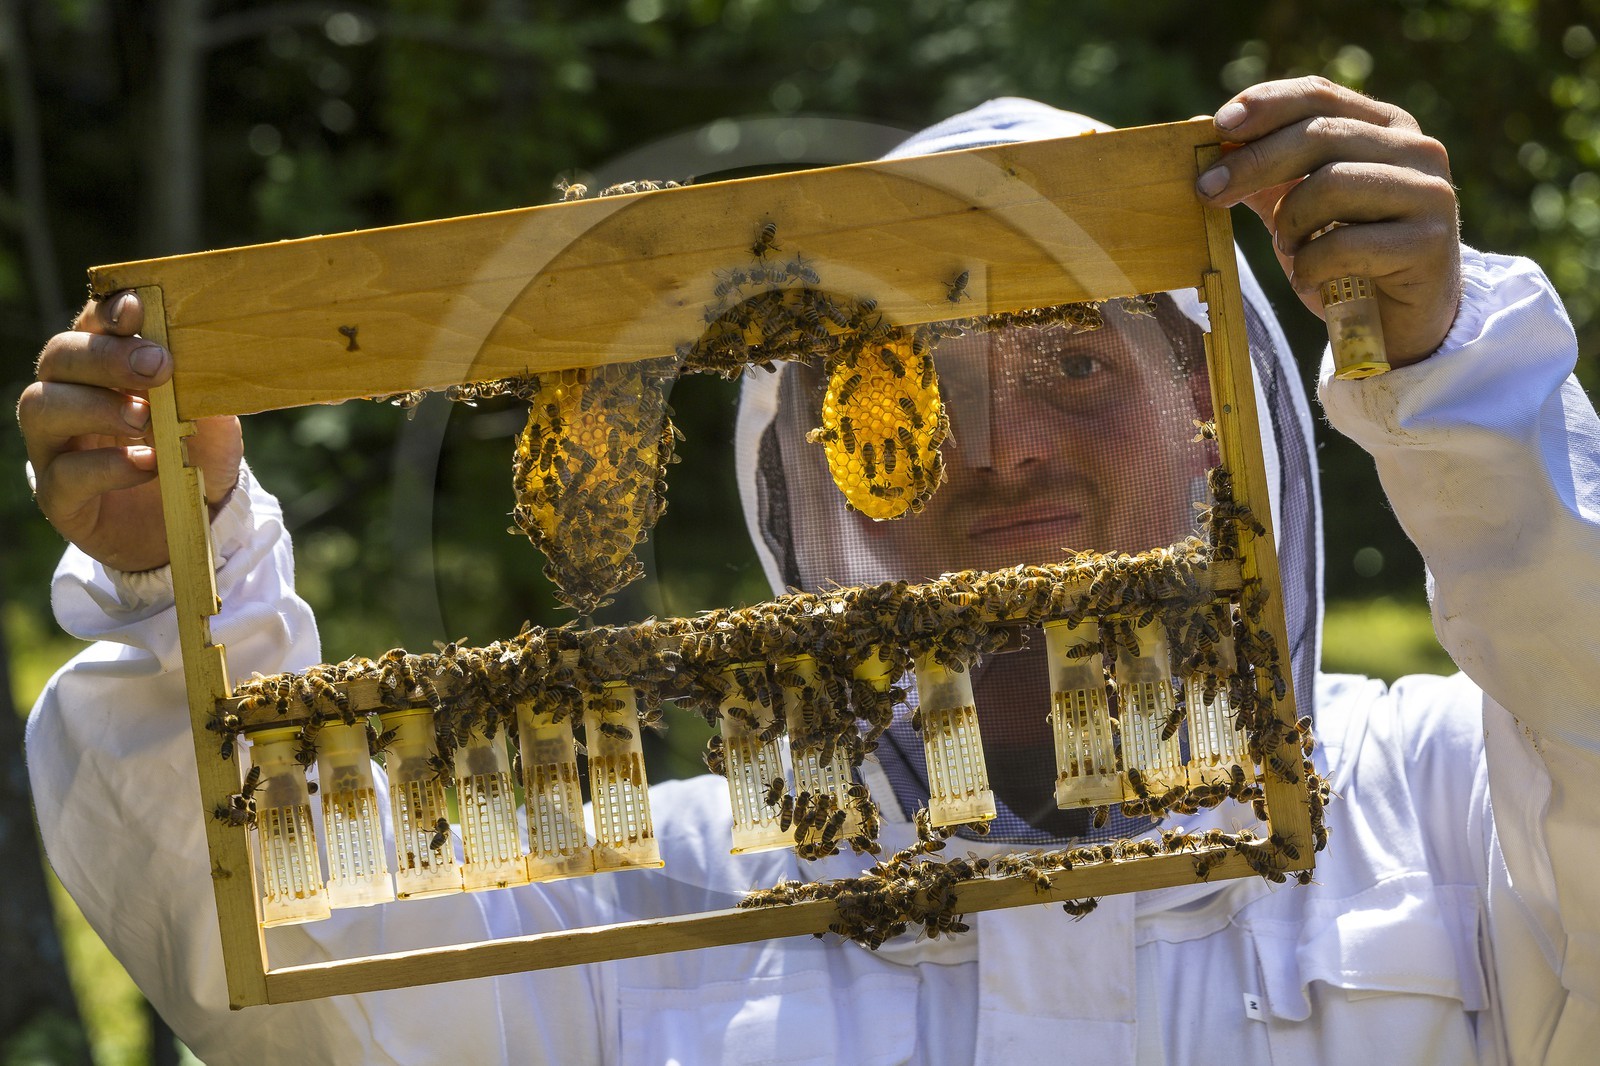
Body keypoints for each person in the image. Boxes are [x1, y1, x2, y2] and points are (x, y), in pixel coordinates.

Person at [19, 75, 1599, 1065]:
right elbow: (325, 985)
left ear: (1215, 418)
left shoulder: (1439, 801)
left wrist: (1460, 379)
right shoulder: (672, 872)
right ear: (796, 481)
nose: (999, 456)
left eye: (1072, 365)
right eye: (902, 401)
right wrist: (183, 588)